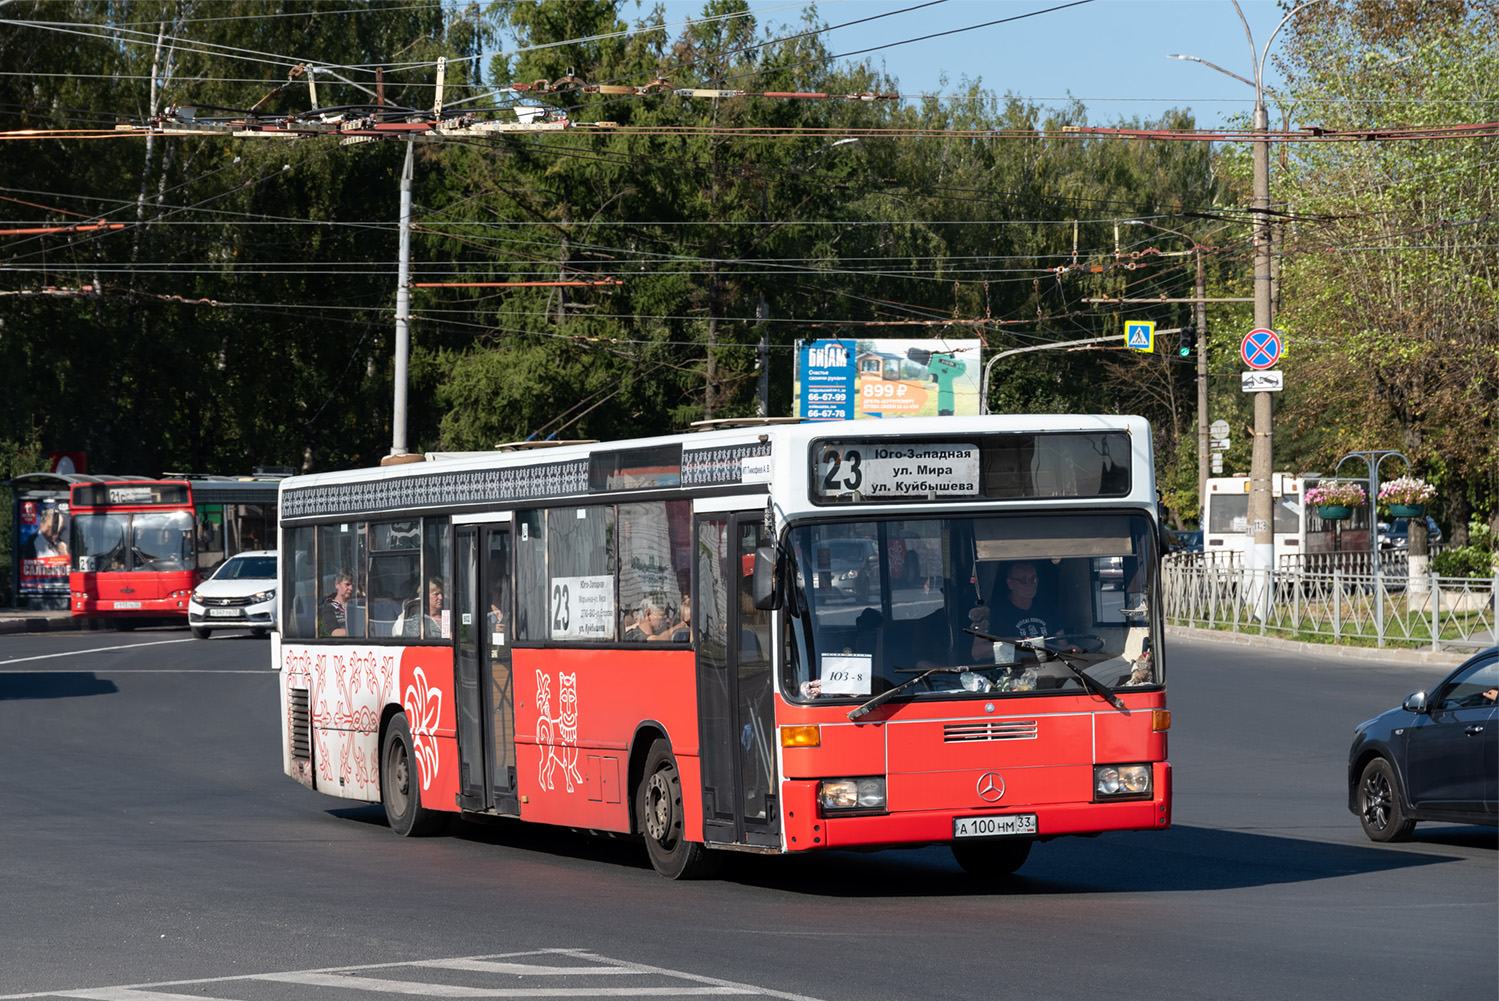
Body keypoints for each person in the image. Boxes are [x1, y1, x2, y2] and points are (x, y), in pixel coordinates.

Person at [969, 560, 1069, 661]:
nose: (1030, 585)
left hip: (1048, 671)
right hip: (1010, 672)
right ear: (1010, 583)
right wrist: (1009, 643)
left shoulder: (1048, 608)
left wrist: (1070, 650)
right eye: (1024, 580)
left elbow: (1062, 645)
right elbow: (977, 652)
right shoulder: (994, 611)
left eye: (1033, 579)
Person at [318, 568, 354, 637]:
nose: (351, 588)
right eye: (347, 584)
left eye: (353, 585)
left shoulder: (358, 604)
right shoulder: (328, 607)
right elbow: (333, 632)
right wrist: (358, 631)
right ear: (337, 584)